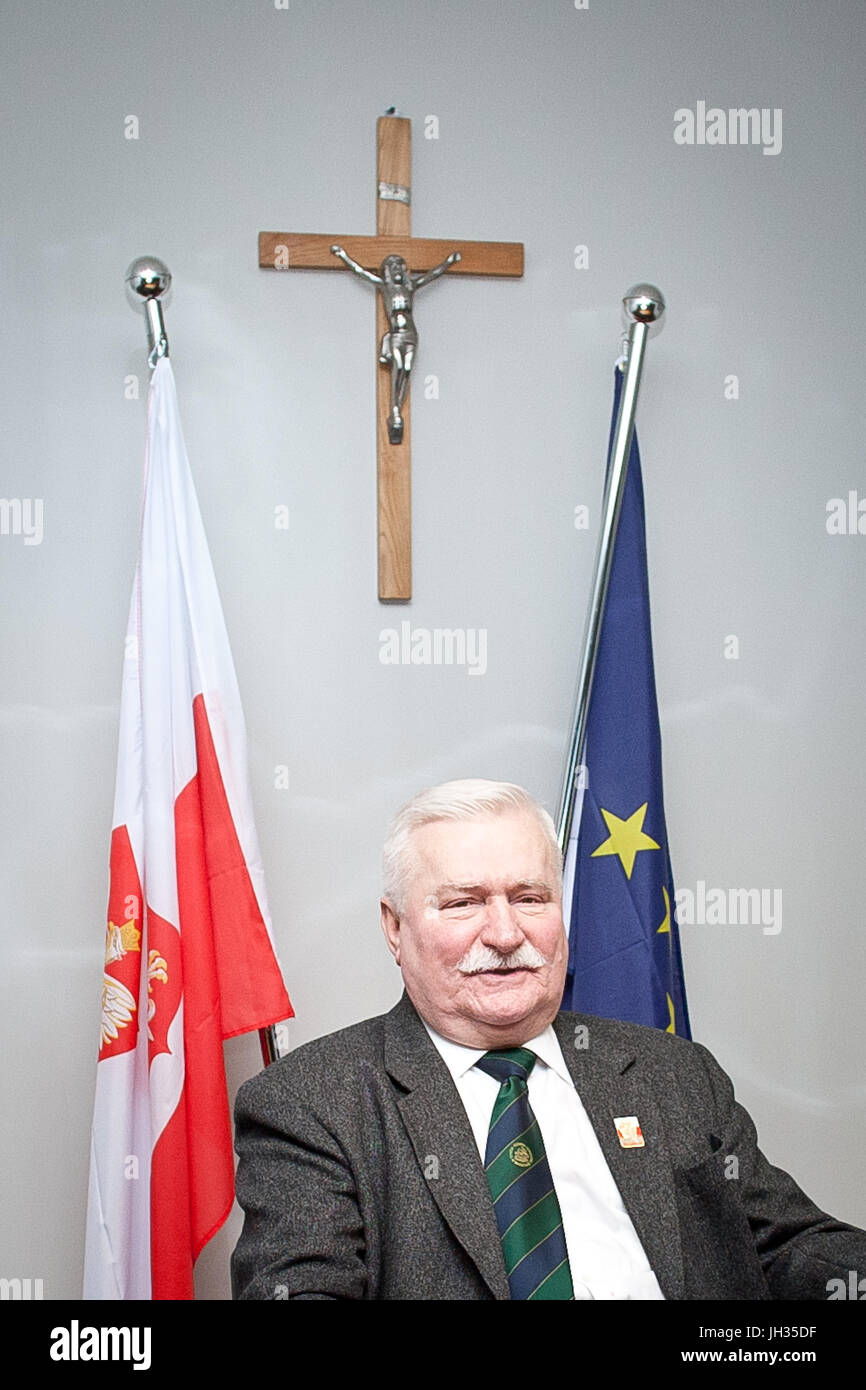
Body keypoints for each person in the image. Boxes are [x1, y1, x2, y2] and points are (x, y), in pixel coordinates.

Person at [231, 779, 866, 1300]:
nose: (506, 933)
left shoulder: (671, 1071)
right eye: (463, 903)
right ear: (394, 929)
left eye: (530, 897)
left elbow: (782, 1243)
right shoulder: (311, 1102)